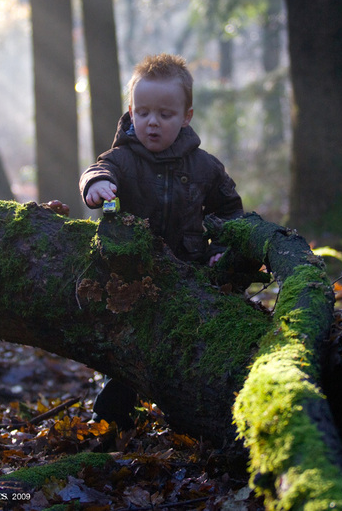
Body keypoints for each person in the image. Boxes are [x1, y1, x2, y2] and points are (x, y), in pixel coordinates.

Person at [79, 53, 244, 427]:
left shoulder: (205, 167)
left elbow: (229, 213)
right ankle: (113, 422)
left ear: (186, 116)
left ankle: (193, 417)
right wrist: (95, 184)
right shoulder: (121, 160)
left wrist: (222, 252)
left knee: (188, 350)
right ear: (132, 111)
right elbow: (97, 168)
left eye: (165, 115)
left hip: (189, 273)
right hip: (132, 282)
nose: (152, 122)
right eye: (143, 112)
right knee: (128, 355)